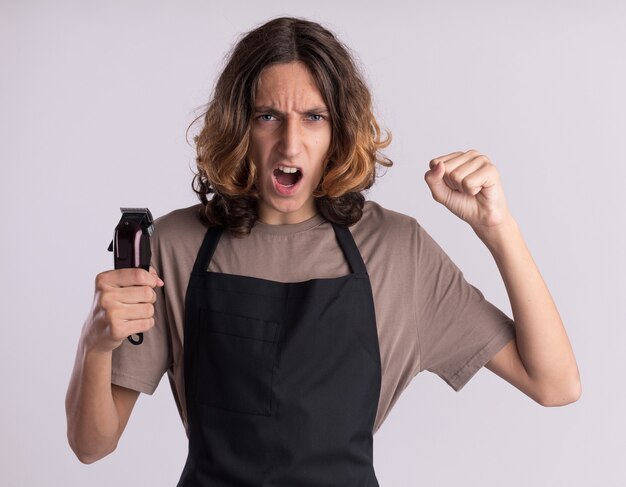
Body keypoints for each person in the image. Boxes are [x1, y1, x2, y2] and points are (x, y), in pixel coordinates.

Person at [65, 16, 581, 485]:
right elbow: (92, 446)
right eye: (268, 116)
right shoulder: (178, 246)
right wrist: (95, 343)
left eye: (314, 117)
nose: (291, 145)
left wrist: (499, 229)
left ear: (340, 129)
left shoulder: (398, 251)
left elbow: (555, 384)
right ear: (238, 125)